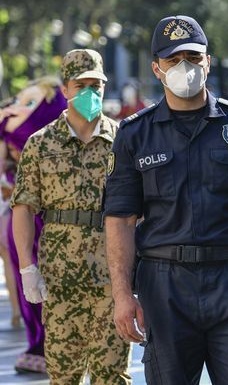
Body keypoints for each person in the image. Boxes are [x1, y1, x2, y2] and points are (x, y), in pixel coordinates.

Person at [104, 15, 228, 385]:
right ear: (157, 68)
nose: (184, 66)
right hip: (164, 285)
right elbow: (120, 219)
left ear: (208, 62)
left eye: (193, 57)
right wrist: (123, 296)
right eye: (173, 60)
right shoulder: (135, 134)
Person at [11, 49, 131, 384]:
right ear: (65, 89)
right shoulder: (40, 144)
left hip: (113, 281)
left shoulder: (124, 140)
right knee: (64, 375)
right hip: (59, 283)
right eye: (82, 84)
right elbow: (23, 208)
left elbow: (142, 211)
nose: (91, 92)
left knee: (112, 375)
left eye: (97, 84)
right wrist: (26, 268)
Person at [0, 76, 67, 373]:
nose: (16, 108)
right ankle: (38, 341)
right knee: (25, 275)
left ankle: (58, 343)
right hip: (21, 212)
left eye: (27, 102)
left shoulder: (57, 128)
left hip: (53, 219)